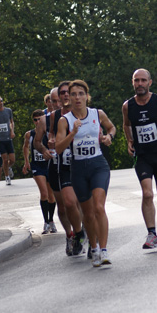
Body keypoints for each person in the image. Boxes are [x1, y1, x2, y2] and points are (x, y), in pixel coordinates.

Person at [56, 80, 116, 267]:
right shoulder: (64, 120)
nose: (77, 98)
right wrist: (72, 133)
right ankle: (95, 247)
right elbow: (58, 148)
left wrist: (109, 137)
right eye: (73, 94)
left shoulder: (97, 114)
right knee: (88, 214)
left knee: (99, 207)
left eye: (81, 94)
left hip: (98, 165)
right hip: (78, 168)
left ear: (86, 96)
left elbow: (112, 127)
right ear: (69, 99)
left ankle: (104, 250)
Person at [122, 69, 157, 250]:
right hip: (142, 156)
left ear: (149, 82)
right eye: (136, 80)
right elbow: (126, 124)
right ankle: (151, 234)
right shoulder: (127, 106)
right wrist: (129, 140)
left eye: (143, 80)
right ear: (132, 83)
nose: (140, 84)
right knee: (147, 193)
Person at [34, 83, 86, 257]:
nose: (59, 101)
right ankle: (70, 235)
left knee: (75, 202)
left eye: (64, 95)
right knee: (62, 208)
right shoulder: (47, 119)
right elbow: (37, 142)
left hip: (75, 164)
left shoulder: (79, 115)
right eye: (54, 99)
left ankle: (81, 232)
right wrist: (44, 150)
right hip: (56, 166)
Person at [23, 109, 56, 234]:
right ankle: (46, 222)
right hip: (37, 166)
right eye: (35, 120)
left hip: (49, 165)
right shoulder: (29, 135)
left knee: (52, 196)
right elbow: (25, 147)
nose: (37, 122)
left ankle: (51, 220)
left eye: (39, 119)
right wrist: (26, 161)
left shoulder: (49, 133)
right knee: (44, 194)